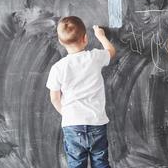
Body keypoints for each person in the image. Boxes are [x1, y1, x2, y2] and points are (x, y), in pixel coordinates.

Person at [46, 16, 116, 168]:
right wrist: (101, 36)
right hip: (96, 122)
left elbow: (54, 98)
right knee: (101, 163)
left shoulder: (57, 68)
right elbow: (111, 51)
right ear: (85, 38)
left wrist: (66, 113)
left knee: (76, 164)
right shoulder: (94, 57)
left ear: (60, 41)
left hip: (72, 124)